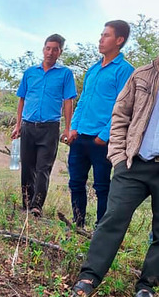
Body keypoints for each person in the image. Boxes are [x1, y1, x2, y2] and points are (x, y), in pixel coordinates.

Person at [70, 40, 158, 297]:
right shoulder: (142, 74)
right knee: (113, 218)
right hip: (134, 163)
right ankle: (89, 277)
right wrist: (118, 155)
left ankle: (146, 286)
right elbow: (120, 114)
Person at [66, 20, 135, 228]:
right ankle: (78, 223)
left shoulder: (125, 70)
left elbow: (123, 107)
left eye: (106, 35)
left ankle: (101, 228)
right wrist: (73, 128)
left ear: (119, 40)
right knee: (75, 182)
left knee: (102, 186)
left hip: (102, 140)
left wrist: (104, 135)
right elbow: (83, 101)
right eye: (101, 35)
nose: (100, 39)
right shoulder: (93, 69)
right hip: (80, 136)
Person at [11, 34, 77, 217]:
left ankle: (36, 206)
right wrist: (18, 125)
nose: (50, 52)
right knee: (27, 167)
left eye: (55, 49)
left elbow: (68, 102)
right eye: (48, 48)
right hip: (28, 125)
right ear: (43, 49)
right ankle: (26, 202)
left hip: (50, 127)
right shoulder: (30, 72)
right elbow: (22, 100)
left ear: (60, 52)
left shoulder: (65, 74)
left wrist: (67, 128)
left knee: (43, 168)